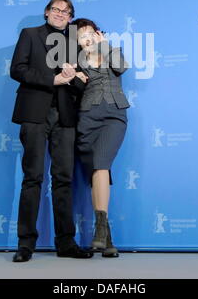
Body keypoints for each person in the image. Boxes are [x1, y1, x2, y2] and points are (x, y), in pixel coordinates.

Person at [10, 0, 93, 262]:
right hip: (34, 113)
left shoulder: (74, 43)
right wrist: (53, 78)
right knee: (33, 177)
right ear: (47, 12)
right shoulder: (30, 34)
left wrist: (75, 79)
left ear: (70, 17)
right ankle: (25, 244)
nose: (61, 14)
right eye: (56, 9)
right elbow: (17, 69)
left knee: (64, 180)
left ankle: (66, 242)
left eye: (66, 11)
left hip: (65, 117)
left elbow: (81, 85)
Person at [71, 18, 130, 258]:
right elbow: (72, 91)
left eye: (89, 33)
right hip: (87, 118)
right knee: (97, 169)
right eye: (80, 36)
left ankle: (100, 230)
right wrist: (74, 76)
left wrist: (104, 45)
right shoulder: (75, 61)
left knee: (102, 163)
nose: (86, 38)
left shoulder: (112, 52)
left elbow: (122, 67)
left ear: (97, 34)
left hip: (114, 116)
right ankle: (106, 237)